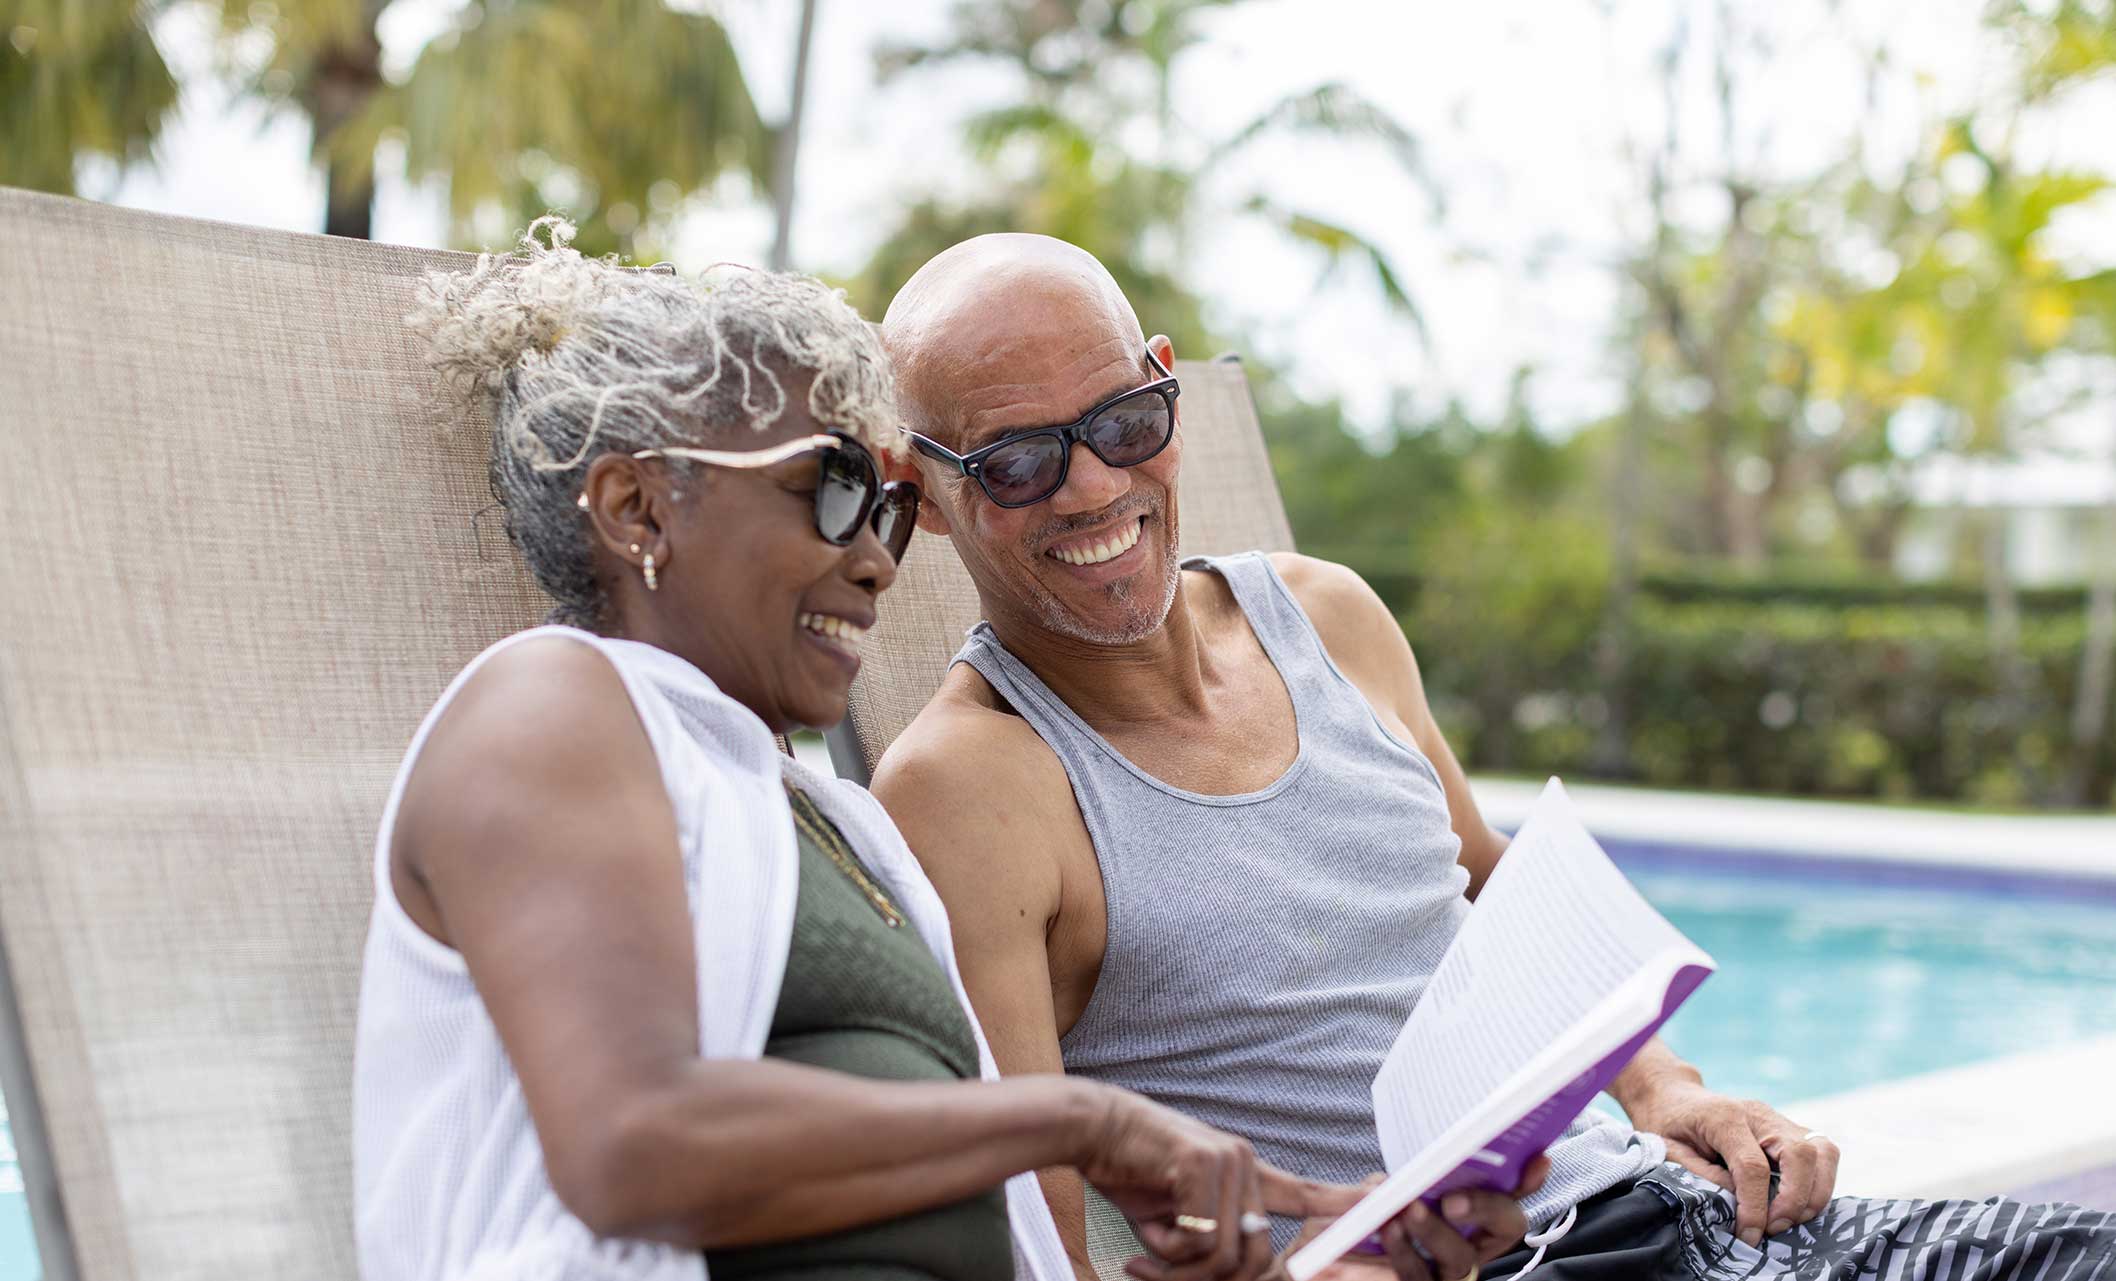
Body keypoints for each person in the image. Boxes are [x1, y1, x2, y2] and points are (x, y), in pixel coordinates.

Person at [870, 232, 2116, 1281]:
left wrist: (1666, 1088)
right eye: (1019, 462)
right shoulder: (970, 788)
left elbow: (1488, 877)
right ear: (922, 494)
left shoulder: (1329, 616)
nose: (1093, 490)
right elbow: (1029, 1237)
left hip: (1671, 1218)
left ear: (1166, 390)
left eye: (1123, 423)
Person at [351, 219, 1541, 1281]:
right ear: (636, 511)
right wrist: (1083, 1128)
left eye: (886, 507)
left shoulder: (823, 817)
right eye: (829, 493)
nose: (876, 557)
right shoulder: (554, 704)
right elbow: (628, 1152)